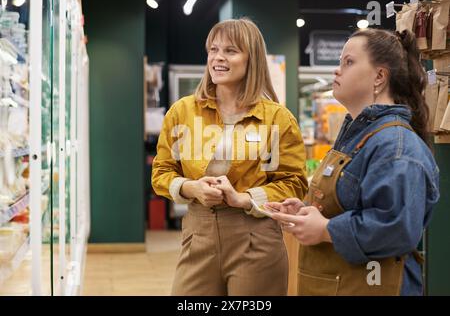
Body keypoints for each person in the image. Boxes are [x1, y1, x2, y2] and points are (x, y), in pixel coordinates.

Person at [267, 28, 440, 296]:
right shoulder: (357, 137)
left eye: (348, 62)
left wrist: (325, 229)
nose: (337, 70)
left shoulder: (395, 146)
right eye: (339, 62)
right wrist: (306, 211)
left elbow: (395, 227)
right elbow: (350, 203)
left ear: (379, 77)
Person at [151, 18, 308, 295]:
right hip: (197, 236)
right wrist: (192, 188)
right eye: (213, 49)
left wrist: (243, 198)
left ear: (252, 59)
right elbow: (162, 172)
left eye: (230, 51)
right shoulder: (182, 112)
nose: (218, 58)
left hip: (256, 239)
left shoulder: (277, 119)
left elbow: (293, 182)